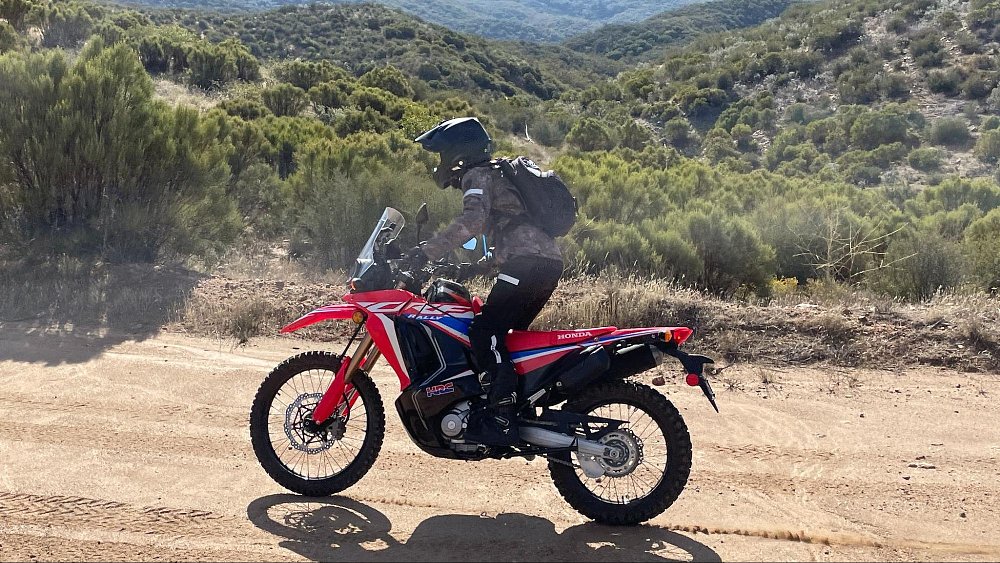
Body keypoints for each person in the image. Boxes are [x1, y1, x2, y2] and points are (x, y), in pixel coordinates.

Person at [406, 117, 564, 447]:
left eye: (442, 155)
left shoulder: (477, 175)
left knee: (483, 331)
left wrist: (427, 252)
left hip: (529, 263)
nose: (441, 164)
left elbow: (473, 221)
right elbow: (513, 234)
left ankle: (501, 418)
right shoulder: (496, 174)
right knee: (504, 338)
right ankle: (513, 407)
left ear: (457, 153)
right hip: (543, 263)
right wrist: (472, 268)